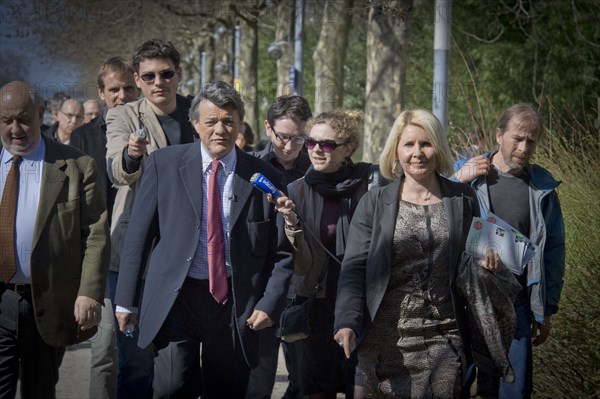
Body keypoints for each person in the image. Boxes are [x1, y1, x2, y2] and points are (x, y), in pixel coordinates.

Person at [114, 81, 294, 398]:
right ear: (195, 123)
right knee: (171, 388)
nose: (220, 130)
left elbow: (282, 254)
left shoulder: (265, 178)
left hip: (235, 306)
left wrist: (269, 304)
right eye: (211, 121)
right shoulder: (164, 164)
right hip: (176, 299)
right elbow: (138, 239)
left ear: (239, 124)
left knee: (226, 391)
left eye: (228, 121)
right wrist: (126, 299)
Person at [332, 109, 497, 398]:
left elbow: (476, 256)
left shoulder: (463, 199)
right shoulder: (374, 202)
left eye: (426, 143)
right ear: (396, 150)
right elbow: (354, 268)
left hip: (444, 334)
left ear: (439, 147)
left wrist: (486, 262)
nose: (417, 153)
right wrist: (346, 321)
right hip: (384, 337)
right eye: (409, 144)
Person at [0, 81, 110, 398]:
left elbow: (95, 235)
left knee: (40, 390)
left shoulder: (77, 167)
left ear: (41, 114)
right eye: (6, 121)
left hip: (47, 301)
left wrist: (89, 293)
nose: (16, 129)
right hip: (1, 299)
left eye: (23, 119)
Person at [453, 103, 565, 399]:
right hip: (465, 300)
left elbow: (553, 250)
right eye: (518, 138)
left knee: (514, 389)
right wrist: (457, 182)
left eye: (532, 140)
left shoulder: (542, 187)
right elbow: (431, 217)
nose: (524, 147)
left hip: (516, 303)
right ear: (499, 134)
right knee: (455, 385)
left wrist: (546, 309)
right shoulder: (469, 175)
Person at [105, 38, 196, 399]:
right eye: (150, 76)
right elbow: (117, 171)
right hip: (136, 255)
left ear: (179, 74)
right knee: (137, 362)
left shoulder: (198, 114)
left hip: (190, 254)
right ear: (138, 81)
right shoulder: (122, 115)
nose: (159, 82)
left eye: (166, 73)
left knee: (180, 362)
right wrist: (131, 155)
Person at [273, 110, 386, 399]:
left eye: (327, 145)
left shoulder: (371, 185)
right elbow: (296, 259)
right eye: (311, 143)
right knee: (315, 387)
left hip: (364, 301)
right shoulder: (296, 190)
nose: (316, 151)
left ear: (348, 148)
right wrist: (292, 225)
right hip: (317, 304)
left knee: (360, 385)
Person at [70, 56, 141, 399]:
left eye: (129, 87)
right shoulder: (82, 139)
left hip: (144, 253)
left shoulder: (153, 130)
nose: (122, 95)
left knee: (141, 353)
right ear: (101, 93)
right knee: (104, 351)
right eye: (114, 89)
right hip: (101, 257)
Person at [247, 95, 312, 399]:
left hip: (304, 287)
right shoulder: (250, 168)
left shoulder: (315, 170)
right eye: (283, 137)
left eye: (298, 138)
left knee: (303, 380)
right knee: (258, 380)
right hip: (262, 288)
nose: (289, 146)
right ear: (268, 128)